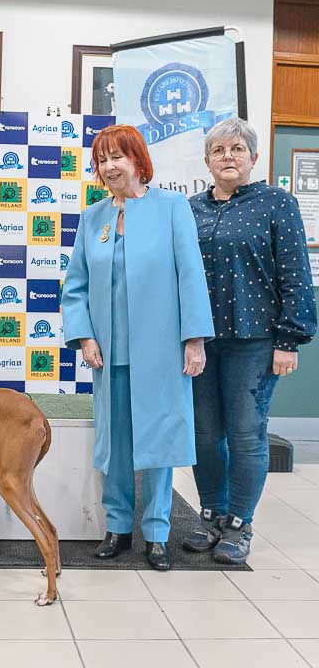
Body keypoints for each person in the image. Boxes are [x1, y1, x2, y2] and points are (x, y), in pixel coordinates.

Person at [62, 124, 214, 570]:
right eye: (102, 159)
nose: (109, 166)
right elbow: (76, 286)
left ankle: (158, 532)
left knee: (159, 442)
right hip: (109, 354)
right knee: (116, 444)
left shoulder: (172, 208)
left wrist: (194, 340)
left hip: (162, 351)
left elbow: (190, 274)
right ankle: (117, 527)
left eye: (117, 156)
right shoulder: (93, 217)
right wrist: (85, 336)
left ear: (138, 160)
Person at [184, 117, 317, 564]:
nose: (228, 157)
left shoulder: (277, 204)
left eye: (237, 149)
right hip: (200, 341)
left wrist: (289, 340)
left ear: (253, 158)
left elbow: (296, 273)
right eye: (219, 150)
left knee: (245, 434)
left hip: (255, 341)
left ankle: (239, 524)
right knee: (205, 435)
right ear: (207, 160)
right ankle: (211, 515)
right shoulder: (190, 209)